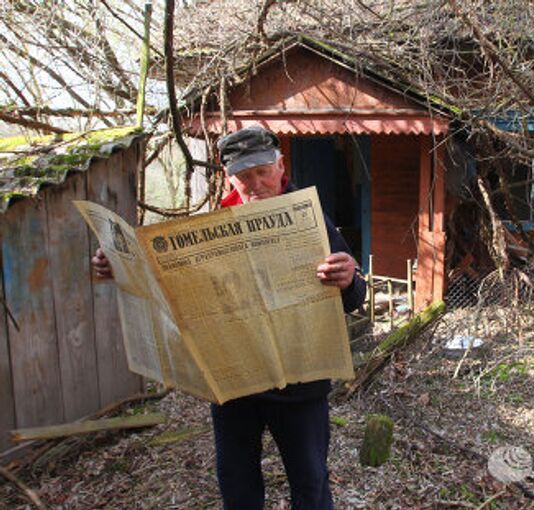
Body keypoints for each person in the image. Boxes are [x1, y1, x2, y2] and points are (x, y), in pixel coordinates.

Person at [92, 125, 366, 510]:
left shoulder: (309, 218)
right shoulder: (212, 228)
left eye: (262, 171)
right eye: (243, 175)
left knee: (310, 483)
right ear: (228, 176)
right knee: (237, 486)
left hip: (301, 381)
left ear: (280, 165)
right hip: (233, 385)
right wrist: (122, 267)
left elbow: (354, 296)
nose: (255, 184)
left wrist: (348, 280)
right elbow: (171, 291)